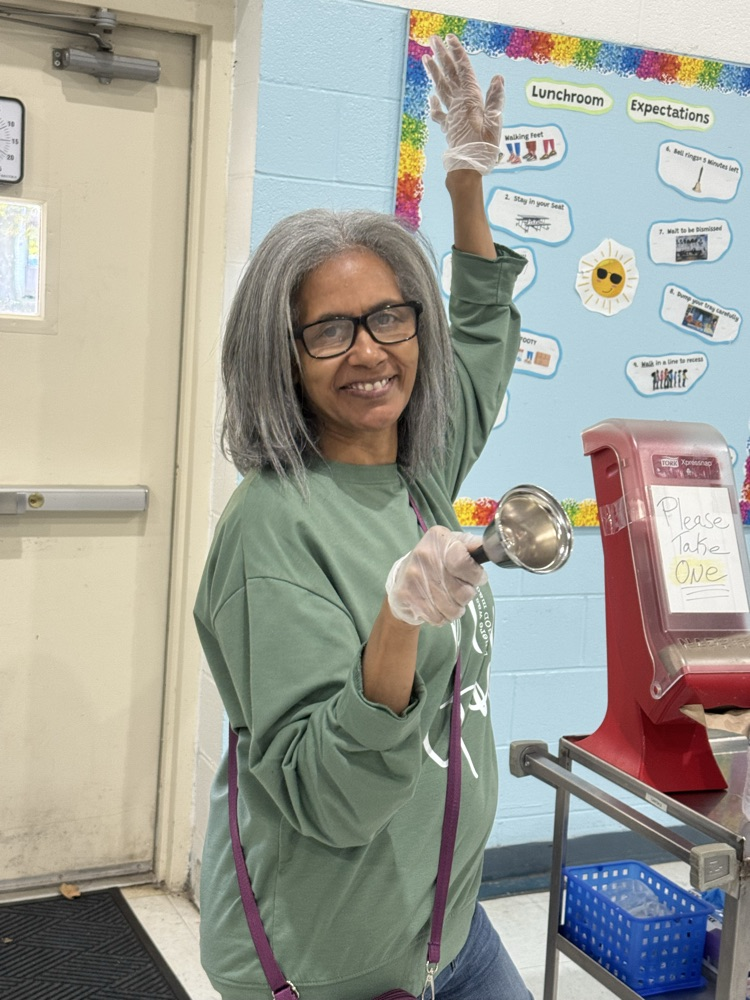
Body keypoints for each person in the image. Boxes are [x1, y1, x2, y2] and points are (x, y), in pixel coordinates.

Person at [194, 33, 533, 1000]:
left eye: (391, 316)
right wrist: (397, 622)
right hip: (334, 965)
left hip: (450, 928)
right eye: (329, 330)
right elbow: (330, 800)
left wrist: (466, 184)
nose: (371, 351)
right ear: (281, 355)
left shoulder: (416, 466)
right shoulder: (271, 533)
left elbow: (477, 336)